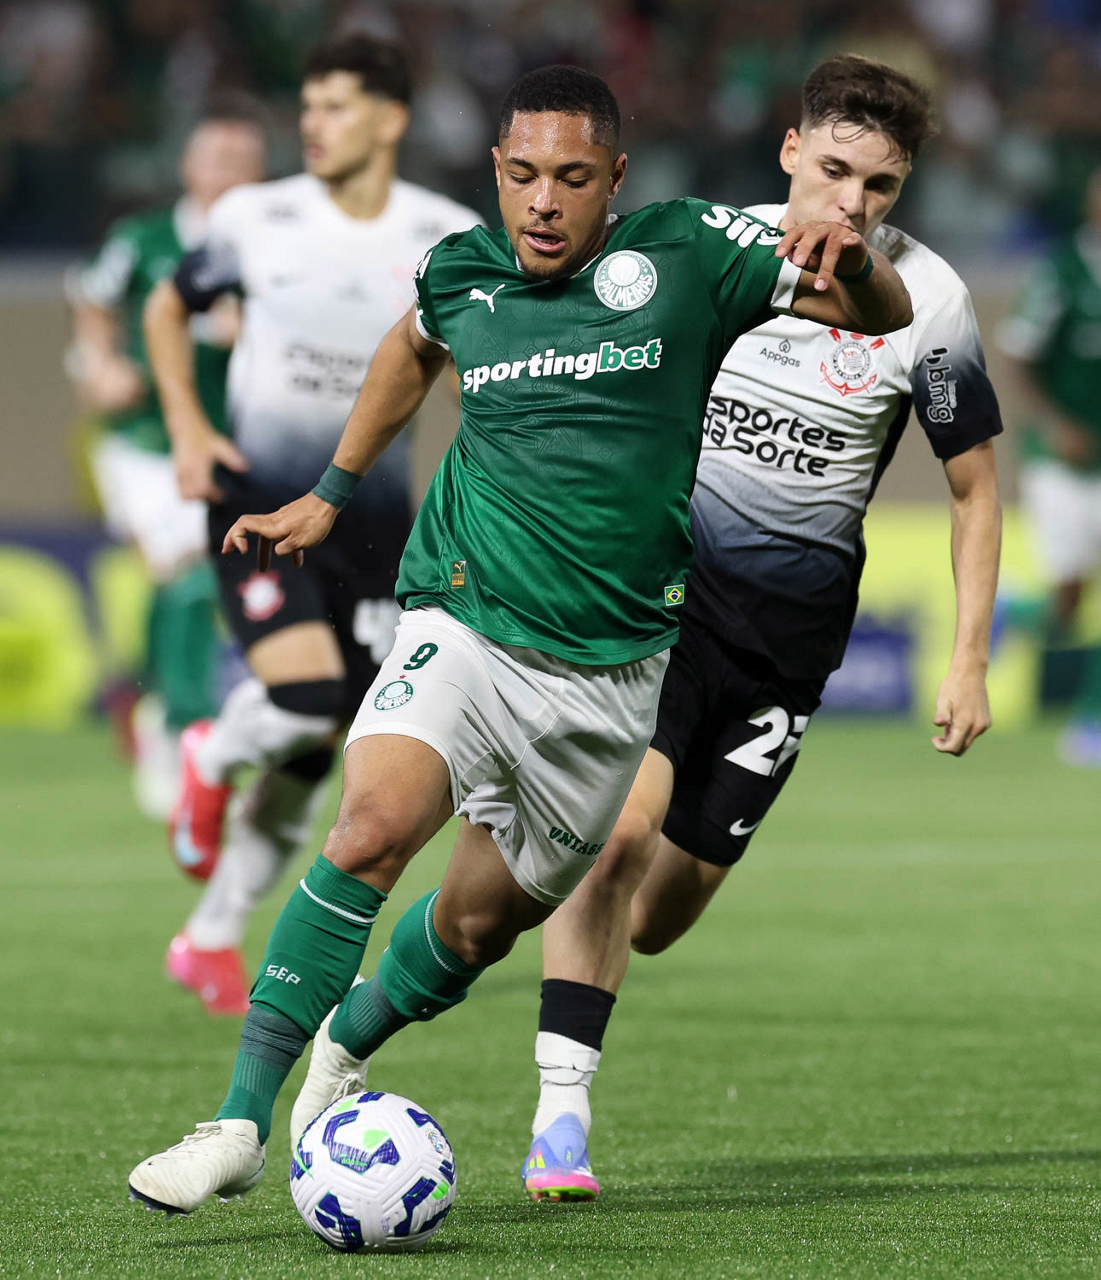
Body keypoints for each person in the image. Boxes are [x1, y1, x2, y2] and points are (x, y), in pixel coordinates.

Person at [127, 63, 913, 1216]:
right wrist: (333, 492)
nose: (544, 202)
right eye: (525, 175)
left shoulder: (692, 253)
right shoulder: (460, 271)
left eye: (573, 178)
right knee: (369, 826)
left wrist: (859, 263)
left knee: (476, 924)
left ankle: (347, 1040)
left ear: (615, 179)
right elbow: (409, 350)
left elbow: (880, 317)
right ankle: (239, 1117)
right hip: (464, 615)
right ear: (497, 170)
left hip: (610, 678)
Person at [519, 54, 1004, 1203]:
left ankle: (551, 885)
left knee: (660, 915)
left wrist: (968, 657)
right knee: (617, 840)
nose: (853, 201)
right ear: (791, 151)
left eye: (879, 185)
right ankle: (559, 1117)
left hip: (789, 643)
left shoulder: (928, 300)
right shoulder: (707, 251)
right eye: (834, 169)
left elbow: (975, 487)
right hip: (661, 604)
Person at [142, 35, 481, 1015]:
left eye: (336, 106)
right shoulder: (257, 217)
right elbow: (167, 308)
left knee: (314, 746)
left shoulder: (443, 234)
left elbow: (467, 367)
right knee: (302, 698)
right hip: (256, 500)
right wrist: (188, 426)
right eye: (308, 107)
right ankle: (209, 752)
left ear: (392, 118)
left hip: (370, 522)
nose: (314, 125)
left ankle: (210, 935)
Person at [67, 106, 267, 819]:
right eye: (215, 158)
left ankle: (141, 692)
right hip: (148, 443)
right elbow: (92, 303)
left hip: (237, 446)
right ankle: (180, 728)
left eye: (241, 162)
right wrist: (98, 364)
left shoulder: (274, 248)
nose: (226, 174)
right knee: (186, 563)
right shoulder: (144, 240)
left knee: (197, 577)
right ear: (187, 166)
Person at [998, 165, 1101, 766]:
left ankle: (1091, 722)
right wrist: (1054, 423)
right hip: (1061, 464)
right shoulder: (1062, 272)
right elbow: (1018, 353)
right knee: (1068, 603)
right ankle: (1016, 612)